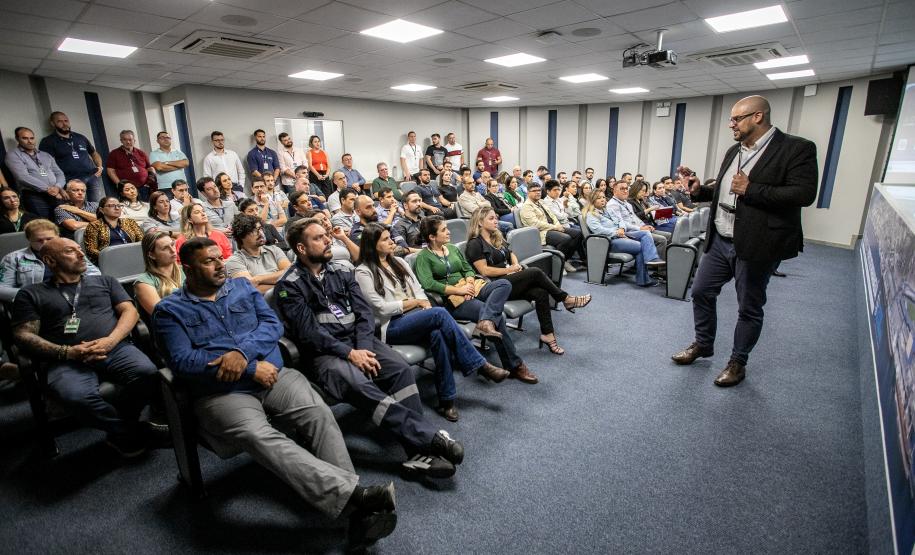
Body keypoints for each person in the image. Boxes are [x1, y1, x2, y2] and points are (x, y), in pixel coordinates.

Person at [154, 237, 398, 548]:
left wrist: (242, 355)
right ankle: (357, 503)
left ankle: (351, 502)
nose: (219, 265)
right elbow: (183, 361)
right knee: (259, 435)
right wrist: (249, 369)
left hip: (275, 375)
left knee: (318, 412)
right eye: (208, 261)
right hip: (222, 393)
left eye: (220, 258)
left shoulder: (242, 288)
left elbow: (272, 326)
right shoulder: (170, 310)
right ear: (187, 269)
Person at [275, 219, 465, 478]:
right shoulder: (289, 284)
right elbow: (309, 334)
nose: (328, 240)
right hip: (324, 354)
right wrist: (350, 354)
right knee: (360, 384)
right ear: (301, 248)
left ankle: (416, 451)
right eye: (318, 238)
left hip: (359, 341)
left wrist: (363, 347)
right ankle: (428, 439)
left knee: (400, 369)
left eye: (326, 235)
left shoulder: (342, 270)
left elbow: (364, 313)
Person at [671, 95, 818, 387]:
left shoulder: (796, 148)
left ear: (758, 117)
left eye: (736, 119)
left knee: (748, 307)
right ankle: (703, 344)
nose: (731, 125)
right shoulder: (734, 150)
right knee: (701, 292)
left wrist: (752, 189)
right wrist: (700, 191)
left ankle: (738, 362)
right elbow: (726, 190)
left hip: (757, 242)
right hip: (720, 238)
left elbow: (804, 194)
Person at [11, 237, 158, 456]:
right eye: (70, 251)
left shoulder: (105, 281)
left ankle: (126, 424)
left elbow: (130, 312)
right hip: (65, 360)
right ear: (50, 260)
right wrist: (68, 352)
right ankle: (126, 429)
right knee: (75, 396)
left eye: (80, 249)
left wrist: (110, 340)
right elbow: (23, 335)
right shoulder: (31, 293)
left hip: (114, 348)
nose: (81, 254)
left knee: (148, 373)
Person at [355, 223, 508, 421]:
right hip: (392, 325)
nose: (391, 242)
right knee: (439, 314)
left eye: (390, 237)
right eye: (385, 239)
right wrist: (416, 303)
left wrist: (424, 303)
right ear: (372, 245)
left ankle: (447, 401)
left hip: (417, 315)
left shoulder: (399, 262)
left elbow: (419, 289)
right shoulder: (363, 272)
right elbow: (381, 308)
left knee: (438, 334)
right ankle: (479, 365)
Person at [414, 216, 538, 384]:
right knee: (498, 317)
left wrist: (470, 283)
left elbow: (468, 269)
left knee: (503, 284)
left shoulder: (452, 248)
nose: (448, 232)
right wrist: (460, 290)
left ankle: (486, 322)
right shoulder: (423, 257)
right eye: (443, 230)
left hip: (471, 287)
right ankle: (515, 365)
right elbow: (428, 284)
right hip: (453, 299)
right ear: (432, 237)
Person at [466, 208, 590, 355]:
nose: (496, 221)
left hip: (509, 279)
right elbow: (484, 271)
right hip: (494, 287)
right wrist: (510, 269)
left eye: (496, 218)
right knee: (535, 272)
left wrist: (515, 266)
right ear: (480, 222)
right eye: (491, 218)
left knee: (540, 292)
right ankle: (566, 299)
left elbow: (511, 253)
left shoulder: (496, 237)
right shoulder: (474, 244)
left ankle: (548, 335)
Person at [583, 190, 664, 288]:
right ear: (593, 200)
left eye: (603, 197)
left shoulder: (608, 210)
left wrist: (621, 228)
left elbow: (621, 221)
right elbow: (598, 230)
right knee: (641, 247)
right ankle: (643, 279)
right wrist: (617, 232)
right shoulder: (591, 215)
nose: (603, 200)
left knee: (645, 233)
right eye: (599, 198)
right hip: (609, 241)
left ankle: (652, 258)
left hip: (621, 234)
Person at [1, 219, 100, 287]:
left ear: (58, 236)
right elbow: (3, 288)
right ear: (29, 240)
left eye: (49, 239)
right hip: (37, 302)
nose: (45, 243)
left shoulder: (74, 252)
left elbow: (95, 274)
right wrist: (30, 295)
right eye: (39, 240)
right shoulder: (12, 258)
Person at [39, 111, 105, 202]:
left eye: (66, 121)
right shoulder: (48, 141)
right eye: (60, 121)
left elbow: (94, 153)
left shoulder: (80, 137)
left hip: (92, 177)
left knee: (95, 204)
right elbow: (46, 166)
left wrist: (100, 167)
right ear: (52, 124)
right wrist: (59, 187)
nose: (64, 124)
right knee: (77, 206)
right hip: (70, 181)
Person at [5, 127, 66, 219]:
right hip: (34, 195)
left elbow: (59, 173)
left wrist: (58, 187)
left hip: (55, 193)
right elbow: (22, 177)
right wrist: (48, 189)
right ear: (17, 139)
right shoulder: (13, 155)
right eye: (25, 138)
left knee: (63, 220)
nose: (30, 141)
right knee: (43, 222)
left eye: (32, 138)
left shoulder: (45, 155)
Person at [518, 182, 581, 272]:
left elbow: (552, 216)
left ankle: (564, 260)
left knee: (578, 234)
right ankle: (558, 265)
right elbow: (535, 224)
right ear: (528, 193)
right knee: (566, 238)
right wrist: (555, 227)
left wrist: (558, 225)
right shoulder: (526, 206)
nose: (538, 192)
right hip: (541, 232)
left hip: (552, 227)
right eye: (534, 191)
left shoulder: (541, 202)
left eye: (539, 190)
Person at [226, 214, 292, 293]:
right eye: (253, 230)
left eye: (260, 228)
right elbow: (249, 289)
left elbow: (290, 274)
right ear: (241, 236)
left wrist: (258, 279)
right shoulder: (234, 261)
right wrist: (283, 285)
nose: (260, 233)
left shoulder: (274, 250)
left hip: (286, 297)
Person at [606, 180, 668, 254]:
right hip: (630, 232)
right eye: (622, 189)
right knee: (662, 240)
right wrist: (641, 228)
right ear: (614, 191)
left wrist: (644, 226)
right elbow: (622, 223)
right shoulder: (613, 204)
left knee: (668, 236)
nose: (625, 191)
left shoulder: (627, 203)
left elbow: (635, 218)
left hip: (639, 228)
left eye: (626, 189)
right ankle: (655, 261)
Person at [134, 231, 184, 317]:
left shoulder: (187, 269)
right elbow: (162, 316)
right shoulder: (144, 283)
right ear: (152, 255)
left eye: (172, 244)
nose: (173, 250)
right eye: (165, 248)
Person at [83, 197, 144, 264]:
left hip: (133, 257)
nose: (117, 208)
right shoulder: (94, 226)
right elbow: (91, 250)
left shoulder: (130, 222)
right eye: (112, 206)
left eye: (119, 206)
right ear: (101, 210)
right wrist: (112, 256)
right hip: (109, 261)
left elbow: (142, 241)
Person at [106, 130, 154, 201]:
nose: (128, 142)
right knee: (130, 206)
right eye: (125, 139)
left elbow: (150, 168)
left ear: (134, 140)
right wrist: (120, 184)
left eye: (130, 139)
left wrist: (148, 183)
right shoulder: (114, 153)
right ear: (121, 141)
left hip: (144, 188)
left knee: (145, 206)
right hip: (127, 189)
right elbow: (110, 171)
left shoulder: (141, 153)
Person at [148, 131, 189, 197]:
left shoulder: (178, 152)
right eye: (162, 138)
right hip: (166, 187)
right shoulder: (154, 154)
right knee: (168, 204)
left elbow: (186, 163)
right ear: (157, 141)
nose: (165, 139)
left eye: (167, 137)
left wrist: (167, 162)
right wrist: (179, 166)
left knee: (186, 203)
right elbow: (160, 167)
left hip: (182, 186)